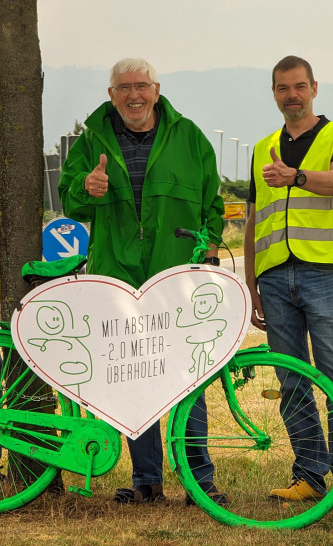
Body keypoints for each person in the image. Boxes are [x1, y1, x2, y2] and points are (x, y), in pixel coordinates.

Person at [58, 58, 226, 505]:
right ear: (111, 94)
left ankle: (198, 482)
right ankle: (147, 481)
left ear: (156, 90)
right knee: (134, 375)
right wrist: (85, 189)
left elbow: (213, 202)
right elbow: (69, 201)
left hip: (175, 276)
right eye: (124, 87)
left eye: (142, 86)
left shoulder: (189, 137)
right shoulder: (92, 138)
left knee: (189, 376)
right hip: (118, 278)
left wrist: (208, 247)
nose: (134, 95)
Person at [243, 55, 333, 511]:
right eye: (282, 88)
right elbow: (255, 219)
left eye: (298, 86)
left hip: (324, 271)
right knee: (292, 380)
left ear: (314, 87)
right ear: (273, 93)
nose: (291, 95)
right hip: (274, 279)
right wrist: (252, 281)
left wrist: (295, 176)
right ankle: (311, 476)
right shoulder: (261, 148)